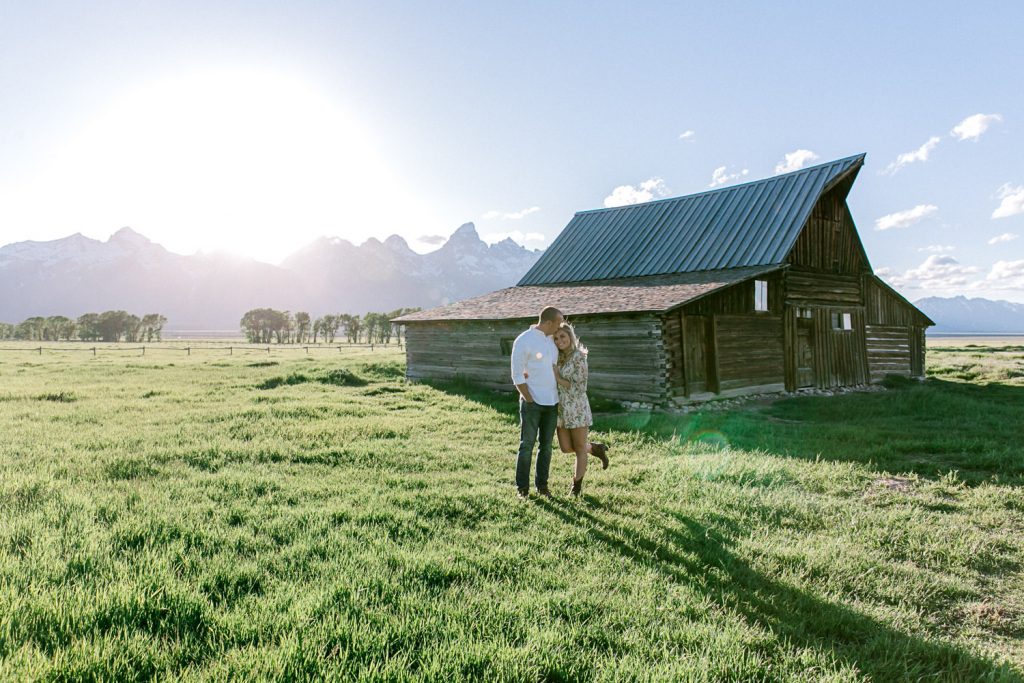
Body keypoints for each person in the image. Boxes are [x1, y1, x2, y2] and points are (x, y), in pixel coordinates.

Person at [511, 306, 563, 499]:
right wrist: (529, 398)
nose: (560, 326)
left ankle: (542, 486)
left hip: (552, 402)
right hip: (532, 402)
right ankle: (522, 489)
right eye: (558, 323)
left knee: (546, 447)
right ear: (549, 322)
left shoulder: (551, 341)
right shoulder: (524, 340)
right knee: (527, 446)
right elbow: (516, 375)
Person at [553, 322, 608, 497]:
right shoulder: (557, 357)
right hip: (561, 408)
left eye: (562, 336)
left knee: (578, 448)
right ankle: (594, 448)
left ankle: (576, 488)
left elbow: (579, 387)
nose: (559, 340)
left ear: (570, 336)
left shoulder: (579, 357)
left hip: (576, 407)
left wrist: (558, 378)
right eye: (555, 338)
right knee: (565, 447)